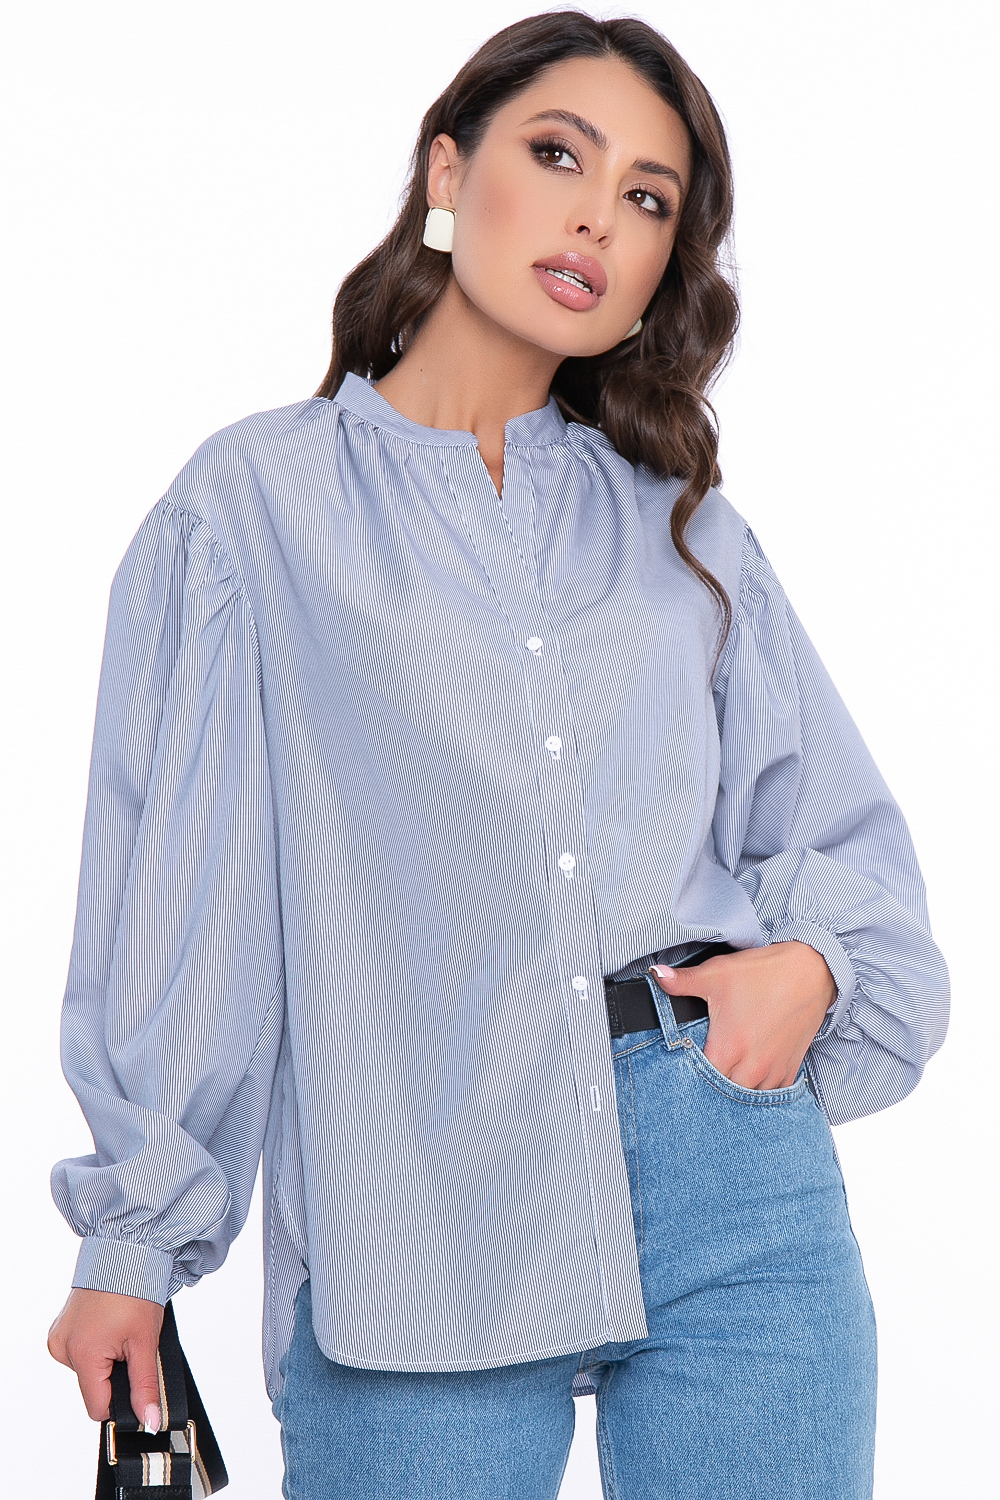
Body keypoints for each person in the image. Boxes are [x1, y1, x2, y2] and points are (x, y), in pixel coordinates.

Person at [47, 12, 949, 1498]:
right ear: (449, 172)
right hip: (412, 1202)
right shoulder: (255, 508)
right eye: (560, 156)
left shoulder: (685, 528)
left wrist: (814, 971)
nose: (600, 218)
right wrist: (133, 1243)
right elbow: (188, 908)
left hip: (729, 1177)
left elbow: (848, 852)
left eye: (648, 198)